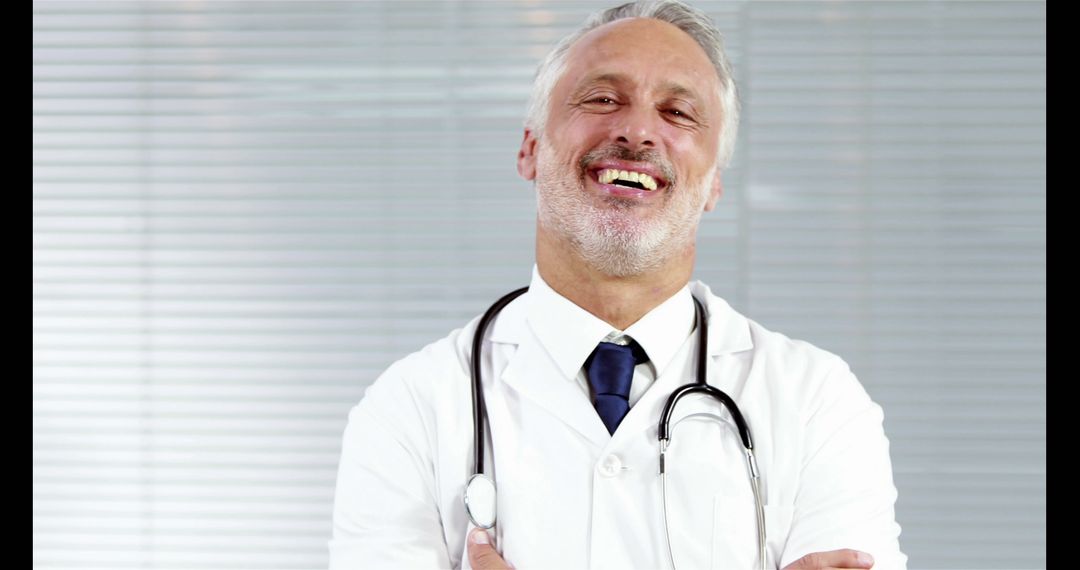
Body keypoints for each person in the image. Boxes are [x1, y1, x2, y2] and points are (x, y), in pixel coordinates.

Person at [329, 1, 907, 568]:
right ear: (530, 148)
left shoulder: (816, 403)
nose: (636, 131)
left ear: (713, 185)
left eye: (678, 112)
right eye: (603, 99)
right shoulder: (411, 408)